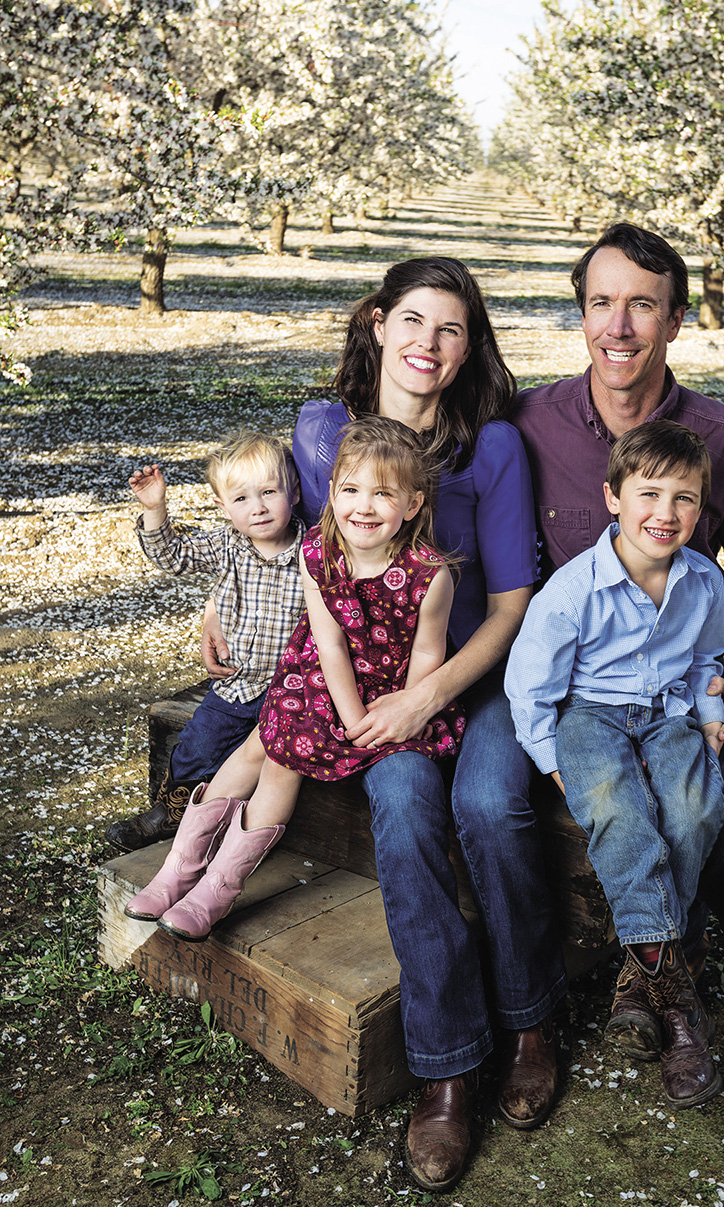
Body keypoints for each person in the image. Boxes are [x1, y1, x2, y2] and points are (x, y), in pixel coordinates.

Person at [205, 257, 566, 1193]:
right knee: (403, 802)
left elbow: (513, 604)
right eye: (414, 320)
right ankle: (446, 1066)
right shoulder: (330, 440)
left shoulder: (490, 449)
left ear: (467, 346)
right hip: (370, 686)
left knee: (489, 805)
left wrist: (431, 692)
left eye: (451, 329)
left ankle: (529, 1020)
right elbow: (301, 549)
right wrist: (220, 597)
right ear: (377, 322)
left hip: (474, 674)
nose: (429, 344)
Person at [512, 222, 724, 1093]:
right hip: (580, 696)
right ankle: (652, 968)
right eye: (602, 302)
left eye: (643, 304)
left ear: (676, 320)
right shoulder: (531, 425)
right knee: (602, 804)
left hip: (684, 692)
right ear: (581, 315)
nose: (620, 325)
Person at [124, 415, 464, 945]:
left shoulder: (430, 575)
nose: (364, 507)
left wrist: (390, 713)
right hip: (317, 678)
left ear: (413, 505)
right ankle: (180, 872)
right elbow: (327, 644)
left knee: (278, 755)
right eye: (350, 490)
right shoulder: (318, 555)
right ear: (331, 493)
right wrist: (349, 716)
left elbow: (427, 653)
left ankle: (218, 887)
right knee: (265, 753)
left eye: (383, 494)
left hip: (387, 698)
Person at [506, 420, 724, 1108]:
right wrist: (553, 762)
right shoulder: (572, 591)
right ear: (612, 496)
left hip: (667, 712)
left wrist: (712, 717)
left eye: (684, 499)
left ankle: (640, 976)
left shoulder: (703, 582)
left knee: (696, 808)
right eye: (649, 493)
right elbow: (530, 686)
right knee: (618, 811)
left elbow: (702, 663)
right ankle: (678, 1002)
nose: (666, 514)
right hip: (590, 715)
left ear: (700, 508)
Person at [106, 430, 305, 851]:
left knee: (265, 764)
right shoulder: (228, 544)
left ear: (296, 491)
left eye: (269, 492)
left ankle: (235, 829)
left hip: (291, 690)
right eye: (242, 499)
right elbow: (173, 556)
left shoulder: (314, 553)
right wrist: (156, 508)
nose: (259, 508)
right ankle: (169, 814)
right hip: (238, 683)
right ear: (223, 507)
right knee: (196, 745)